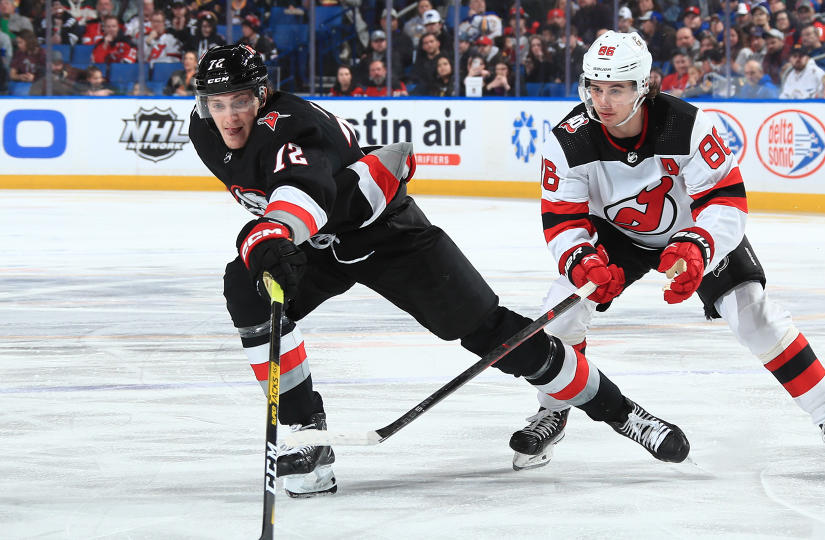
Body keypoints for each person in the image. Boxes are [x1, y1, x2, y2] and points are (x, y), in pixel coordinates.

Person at [188, 43, 690, 497]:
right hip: (318, 242)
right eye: (217, 103)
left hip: (387, 236)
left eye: (240, 101)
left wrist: (273, 234)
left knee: (493, 335)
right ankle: (306, 433)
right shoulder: (205, 132)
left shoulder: (290, 125)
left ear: (262, 94)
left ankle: (622, 413)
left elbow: (305, 189)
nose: (230, 116)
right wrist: (273, 241)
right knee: (248, 289)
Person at [509, 31, 825, 479]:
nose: (602, 101)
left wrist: (698, 244)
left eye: (616, 89)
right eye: (595, 87)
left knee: (754, 315)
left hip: (692, 232)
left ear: (643, 87)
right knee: (560, 312)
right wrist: (581, 260)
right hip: (616, 237)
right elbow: (563, 219)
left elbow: (727, 200)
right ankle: (555, 408)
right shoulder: (568, 140)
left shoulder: (686, 123)